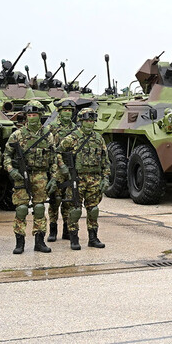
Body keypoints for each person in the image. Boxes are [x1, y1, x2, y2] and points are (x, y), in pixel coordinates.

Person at [3, 102, 59, 254]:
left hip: (41, 175)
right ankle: (19, 243)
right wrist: (11, 170)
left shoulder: (48, 135)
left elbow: (54, 159)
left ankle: (39, 241)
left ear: (40, 116)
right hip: (21, 175)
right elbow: (6, 155)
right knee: (21, 209)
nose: (32, 118)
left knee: (40, 208)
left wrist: (54, 178)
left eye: (35, 115)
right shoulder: (17, 135)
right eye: (29, 115)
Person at [57, 106, 111, 249]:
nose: (89, 123)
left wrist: (105, 178)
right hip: (77, 179)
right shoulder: (71, 138)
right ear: (81, 121)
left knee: (93, 209)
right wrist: (63, 168)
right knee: (75, 210)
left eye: (92, 120)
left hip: (94, 179)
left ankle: (93, 238)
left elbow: (105, 161)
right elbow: (57, 153)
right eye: (86, 120)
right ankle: (74, 238)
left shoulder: (99, 139)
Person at [46, 98, 77, 243]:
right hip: (56, 169)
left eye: (70, 111)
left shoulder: (76, 129)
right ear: (59, 111)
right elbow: (50, 149)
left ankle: (67, 229)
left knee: (69, 201)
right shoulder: (51, 128)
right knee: (55, 200)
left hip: (71, 168)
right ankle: (53, 230)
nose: (68, 113)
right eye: (65, 110)